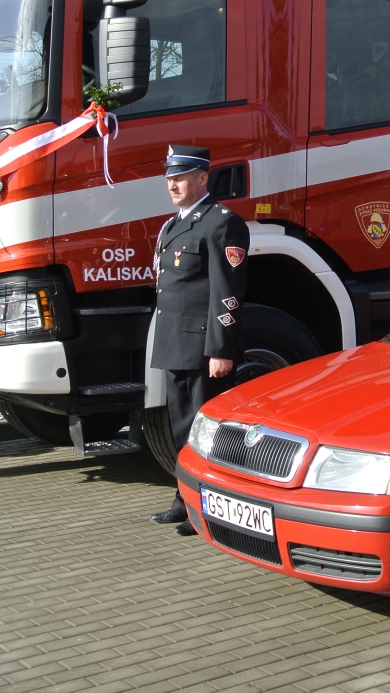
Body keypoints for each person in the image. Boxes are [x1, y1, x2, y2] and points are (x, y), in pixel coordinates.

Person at [149, 144, 250, 537]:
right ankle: (184, 499)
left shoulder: (221, 223)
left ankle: (207, 508)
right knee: (180, 429)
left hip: (204, 348)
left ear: (203, 178)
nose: (172, 185)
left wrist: (221, 350)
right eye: (169, 178)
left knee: (205, 432)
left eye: (180, 177)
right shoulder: (174, 224)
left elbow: (227, 292)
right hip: (175, 344)